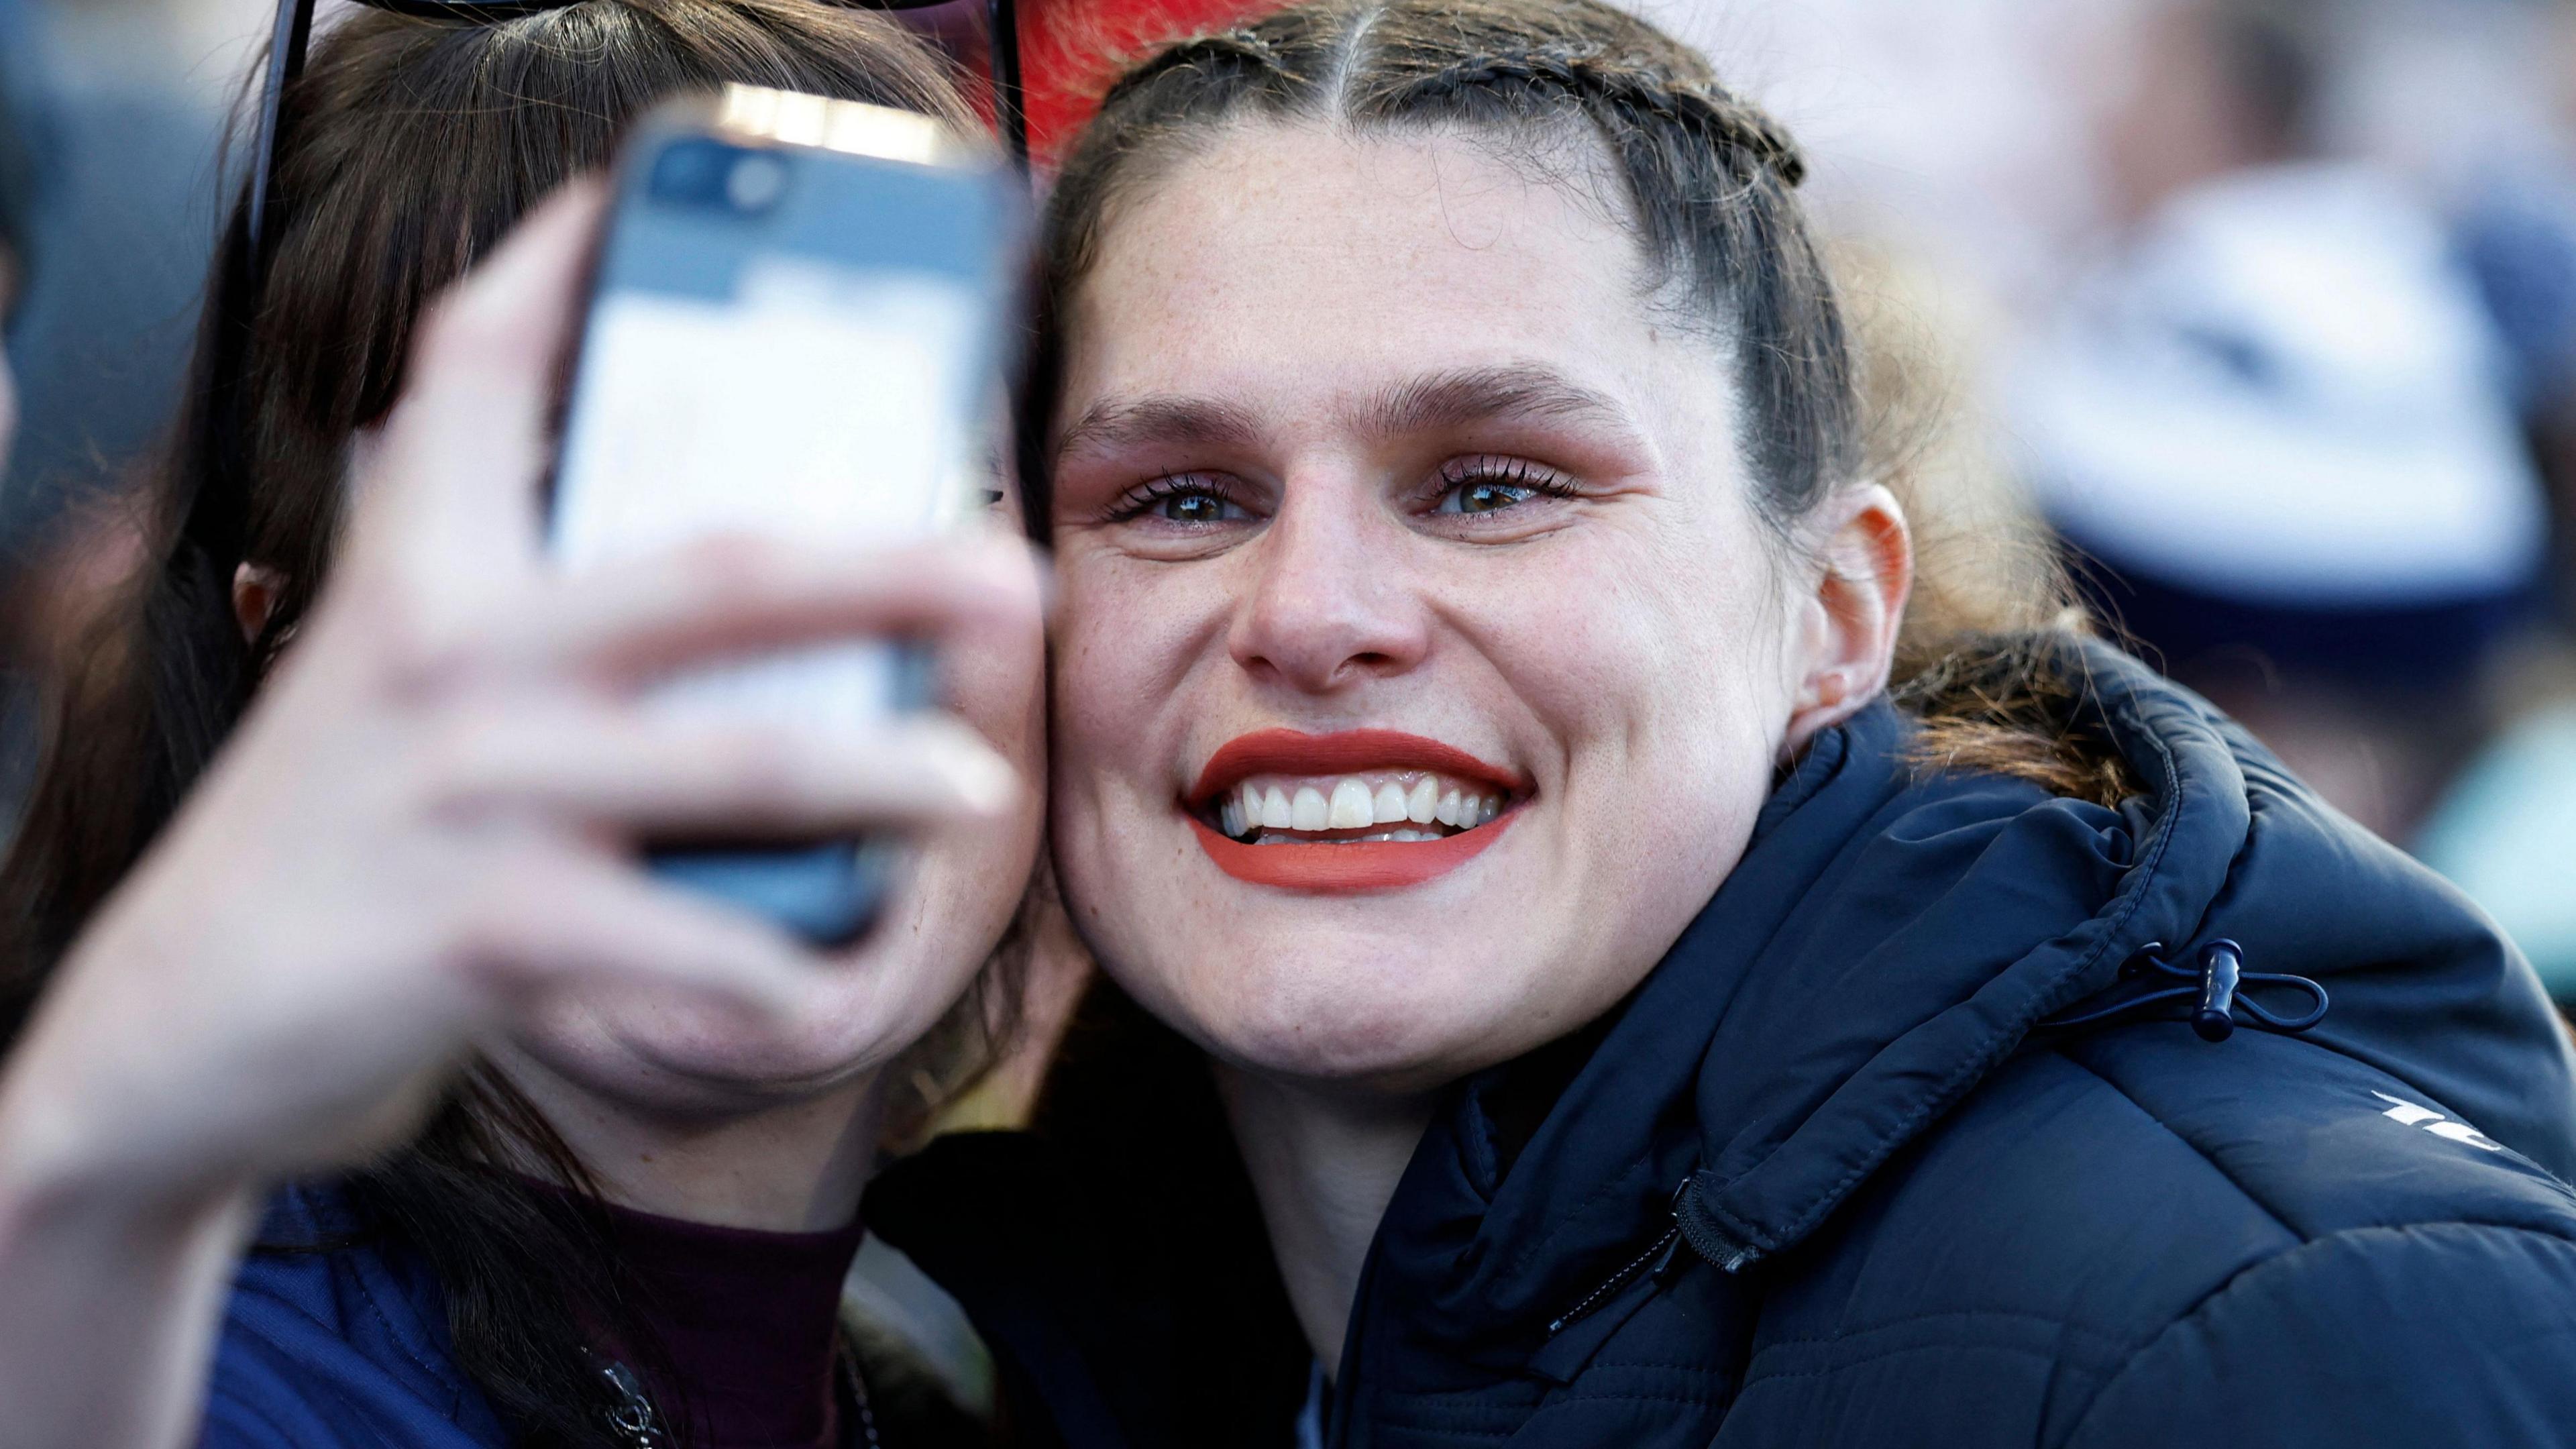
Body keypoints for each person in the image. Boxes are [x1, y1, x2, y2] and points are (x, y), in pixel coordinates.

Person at [867, 1, 2576, 1445]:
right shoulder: (1026, 1321)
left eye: (1491, 486)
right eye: (1178, 498)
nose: (1314, 613)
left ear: (1835, 617)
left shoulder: (2292, 1339)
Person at [0, 5, 1045, 1447]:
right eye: (598, 490)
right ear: (292, 661)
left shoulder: (959, 1396)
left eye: (898, 475)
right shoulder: (158, 1368)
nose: (758, 612)